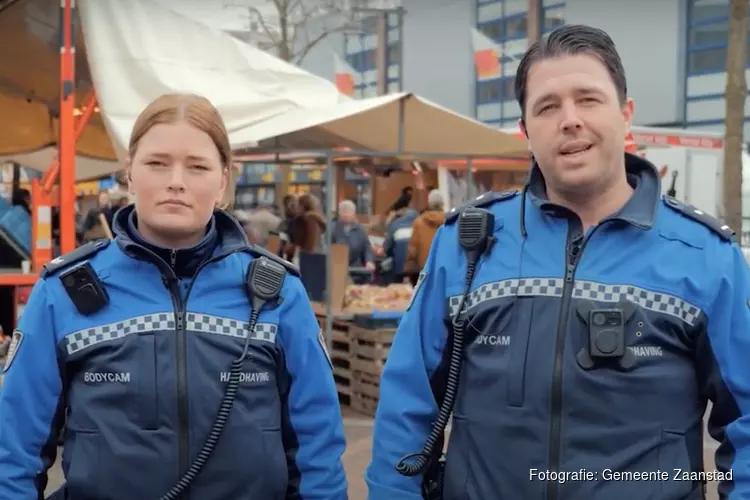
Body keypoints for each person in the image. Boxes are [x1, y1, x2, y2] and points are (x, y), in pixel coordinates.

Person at [366, 25, 750, 499]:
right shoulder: (464, 245)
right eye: (548, 107)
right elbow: (407, 405)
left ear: (625, 115)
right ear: (526, 132)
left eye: (588, 99)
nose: (570, 120)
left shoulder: (707, 257)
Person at [0, 93, 348, 500]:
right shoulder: (64, 291)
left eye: (197, 166)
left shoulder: (279, 293)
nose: (176, 181)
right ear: (129, 173)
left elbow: (318, 450)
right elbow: (14, 451)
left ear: (222, 181)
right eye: (157, 163)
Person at [404, 189, 445, 285]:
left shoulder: (419, 223)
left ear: (429, 203)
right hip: (444, 272)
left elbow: (412, 250)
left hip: (424, 273)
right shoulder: (451, 222)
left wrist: (408, 271)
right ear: (443, 204)